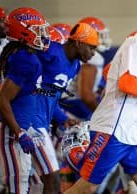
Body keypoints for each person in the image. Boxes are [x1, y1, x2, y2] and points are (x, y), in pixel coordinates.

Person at [64, 12, 137, 194]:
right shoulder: (135, 45)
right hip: (112, 130)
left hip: (133, 131)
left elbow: (109, 72)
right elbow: (126, 83)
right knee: (87, 187)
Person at [35, 22, 98, 193]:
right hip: (28, 122)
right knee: (42, 179)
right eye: (91, 48)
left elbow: (51, 97)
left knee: (38, 182)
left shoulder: (75, 66)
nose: (93, 54)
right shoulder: (51, 51)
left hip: (43, 122)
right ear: (78, 42)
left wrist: (63, 119)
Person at [0, 7, 50, 194]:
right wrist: (19, 133)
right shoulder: (25, 59)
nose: (43, 35)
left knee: (32, 184)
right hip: (13, 132)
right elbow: (2, 100)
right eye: (38, 30)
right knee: (18, 187)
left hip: (23, 127)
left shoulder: (22, 55)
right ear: (23, 31)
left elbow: (24, 93)